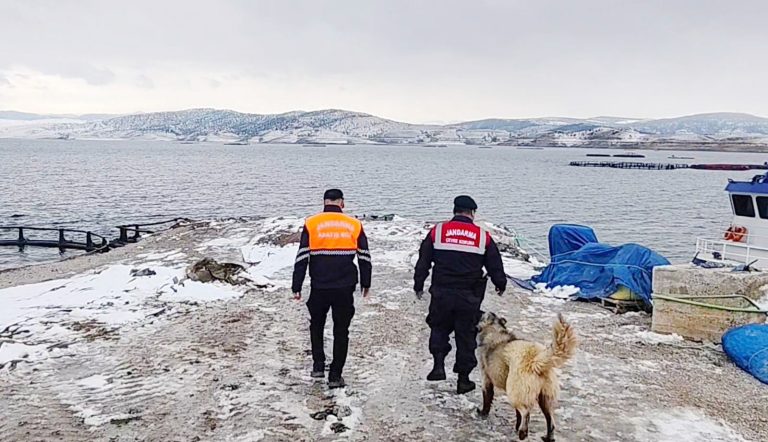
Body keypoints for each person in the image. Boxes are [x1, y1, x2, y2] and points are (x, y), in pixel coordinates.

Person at [413, 195, 507, 394]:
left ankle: (438, 366)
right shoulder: (483, 237)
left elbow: (423, 261)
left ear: (454, 210)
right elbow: (495, 265)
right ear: (472, 213)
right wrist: (500, 284)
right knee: (466, 335)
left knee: (438, 326)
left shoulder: (437, 232)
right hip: (469, 296)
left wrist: (418, 283)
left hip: (442, 292)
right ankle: (463, 379)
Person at [292, 189, 372, 389]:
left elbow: (302, 256)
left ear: (324, 202)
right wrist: (366, 282)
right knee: (341, 330)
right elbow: (364, 256)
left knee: (316, 325)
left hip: (319, 285)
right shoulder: (354, 224)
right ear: (342, 203)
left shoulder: (312, 223)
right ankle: (335, 375)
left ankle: (318, 366)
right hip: (344, 287)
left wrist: (297, 285)